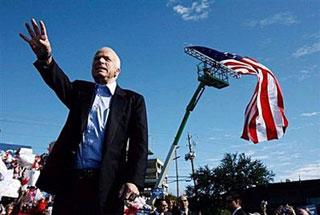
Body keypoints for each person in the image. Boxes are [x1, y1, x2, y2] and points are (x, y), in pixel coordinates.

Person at [19, 18, 148, 215]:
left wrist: (133, 180)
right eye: (96, 58)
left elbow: (140, 143)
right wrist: (46, 57)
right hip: (70, 182)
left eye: (106, 59)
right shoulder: (80, 91)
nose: (100, 61)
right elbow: (59, 83)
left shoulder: (132, 101)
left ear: (118, 70)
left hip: (107, 185)